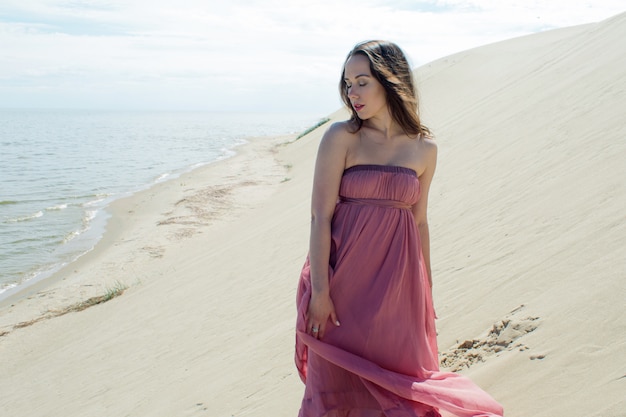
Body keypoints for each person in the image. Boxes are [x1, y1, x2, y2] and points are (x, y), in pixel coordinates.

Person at [294, 40, 503, 417]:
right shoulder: (342, 137)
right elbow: (319, 216)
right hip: (343, 284)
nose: (351, 93)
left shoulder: (424, 149)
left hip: (397, 288)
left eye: (362, 82)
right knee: (336, 388)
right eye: (347, 84)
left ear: (390, 82)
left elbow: (419, 220)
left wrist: (426, 289)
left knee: (400, 386)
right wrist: (321, 292)